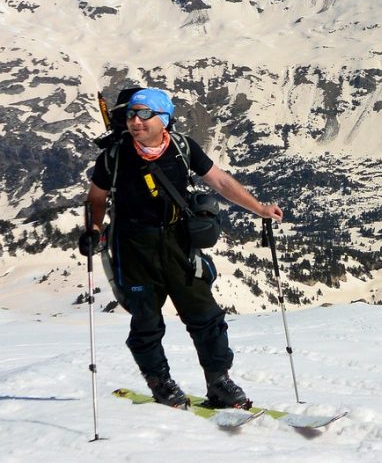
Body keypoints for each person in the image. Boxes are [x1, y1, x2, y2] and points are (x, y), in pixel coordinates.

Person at [79, 87, 283, 408]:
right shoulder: (114, 156)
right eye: (132, 114)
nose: (136, 121)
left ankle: (219, 382)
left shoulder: (183, 147)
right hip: (133, 246)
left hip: (179, 242)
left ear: (164, 119)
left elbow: (221, 181)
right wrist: (92, 229)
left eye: (145, 114)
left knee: (205, 315)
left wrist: (259, 208)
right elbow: (96, 198)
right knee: (146, 320)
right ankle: (160, 381)